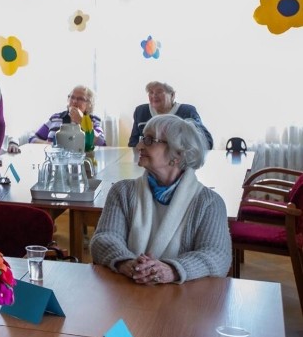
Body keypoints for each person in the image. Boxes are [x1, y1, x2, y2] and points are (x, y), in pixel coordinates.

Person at [90, 114, 231, 284]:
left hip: (185, 298)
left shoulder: (209, 203)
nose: (139, 145)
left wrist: (172, 270)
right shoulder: (122, 191)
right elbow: (104, 238)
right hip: (128, 291)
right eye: (143, 138)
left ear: (177, 154)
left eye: (149, 140)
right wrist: (126, 263)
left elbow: (217, 256)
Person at [128, 81, 213, 149]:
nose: (154, 95)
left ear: (172, 95)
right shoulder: (141, 111)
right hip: (150, 162)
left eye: (159, 92)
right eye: (151, 92)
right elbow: (133, 142)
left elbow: (206, 141)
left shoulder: (188, 112)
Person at [29, 85, 106, 146]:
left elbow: (101, 143)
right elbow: (32, 138)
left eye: (80, 99)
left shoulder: (93, 120)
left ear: (89, 104)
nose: (74, 101)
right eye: (72, 97)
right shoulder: (55, 118)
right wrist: (48, 144)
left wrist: (82, 121)